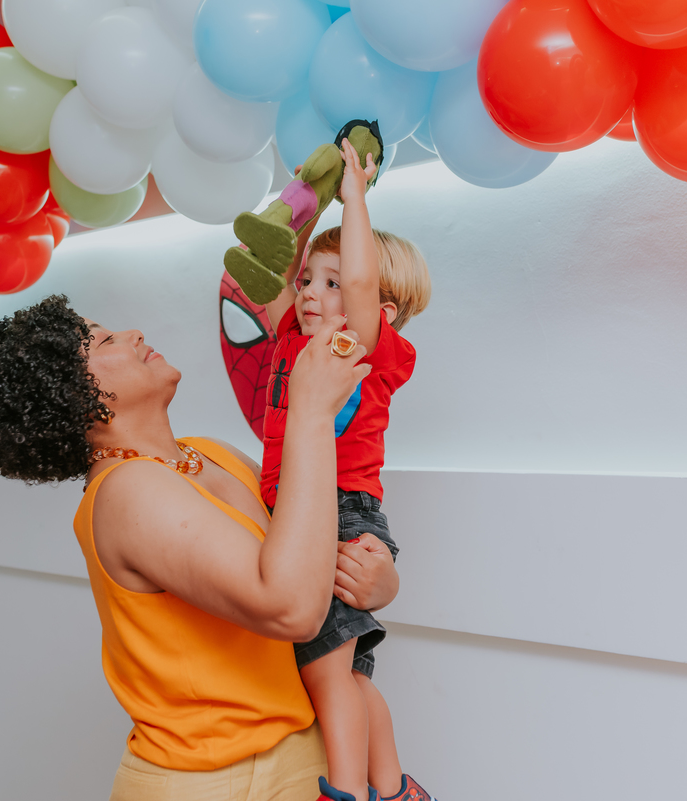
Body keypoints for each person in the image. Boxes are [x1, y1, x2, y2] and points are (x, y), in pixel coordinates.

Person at [0, 293, 401, 800]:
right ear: (74, 396)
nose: (134, 333)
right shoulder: (126, 490)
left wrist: (376, 580)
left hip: (304, 750)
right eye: (105, 340)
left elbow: (309, 560)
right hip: (214, 780)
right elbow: (292, 608)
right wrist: (311, 413)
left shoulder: (212, 454)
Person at [256, 138, 433, 801]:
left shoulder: (360, 348)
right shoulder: (292, 343)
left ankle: (347, 792)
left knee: (326, 677)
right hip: (305, 512)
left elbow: (360, 284)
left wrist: (354, 196)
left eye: (332, 284)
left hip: (340, 512)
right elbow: (277, 263)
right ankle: (395, 789)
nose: (310, 292)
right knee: (352, 678)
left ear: (379, 313)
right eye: (309, 280)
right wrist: (311, 194)